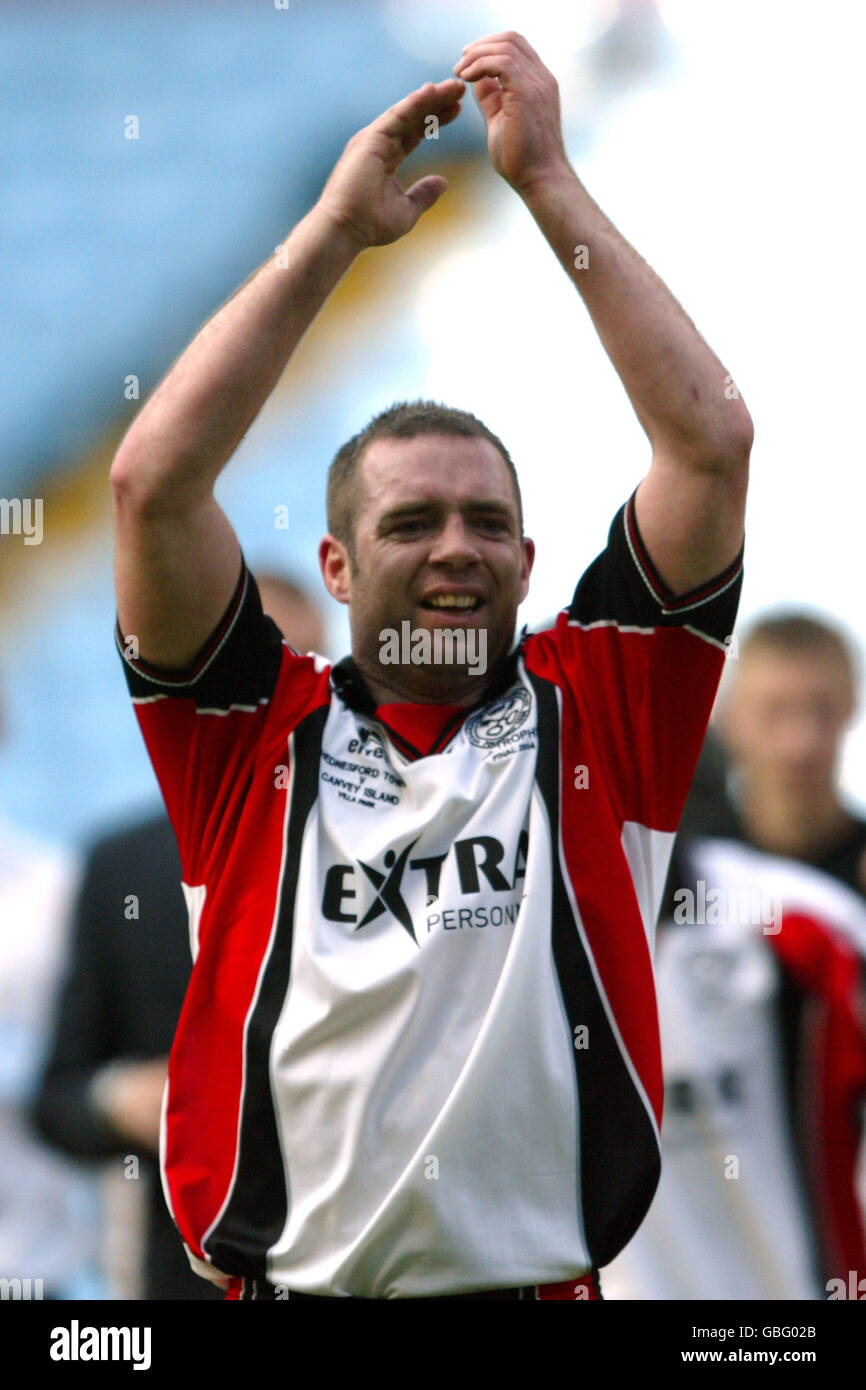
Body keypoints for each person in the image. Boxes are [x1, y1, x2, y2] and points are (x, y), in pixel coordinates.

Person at [108, 31, 752, 1299]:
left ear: (528, 558)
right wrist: (332, 239)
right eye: (410, 524)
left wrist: (548, 184)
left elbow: (709, 442)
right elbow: (152, 485)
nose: (452, 549)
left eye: (482, 524)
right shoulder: (247, 734)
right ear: (337, 569)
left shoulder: (600, 706)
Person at [33, 577, 326, 1300]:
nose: (279, 701)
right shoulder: (120, 867)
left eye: (305, 672)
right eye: (255, 678)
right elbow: (59, 1096)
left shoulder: (402, 849)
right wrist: (121, 1097)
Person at [715, 611, 866, 895]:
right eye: (773, 712)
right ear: (727, 718)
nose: (801, 744)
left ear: (851, 707)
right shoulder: (682, 869)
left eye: (823, 709)